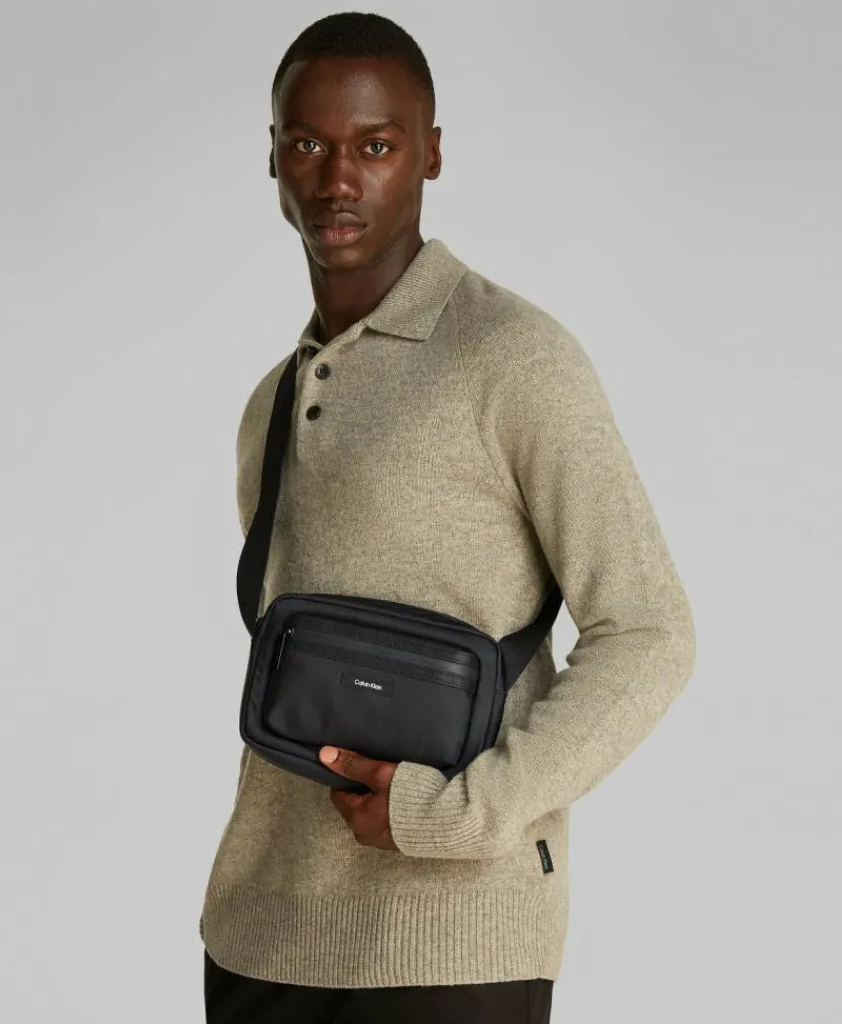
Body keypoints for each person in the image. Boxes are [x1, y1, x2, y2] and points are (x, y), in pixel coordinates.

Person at [198, 12, 696, 1023]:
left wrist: (464, 811)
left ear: (429, 154)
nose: (339, 179)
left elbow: (649, 631)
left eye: (376, 145)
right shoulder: (270, 403)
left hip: (455, 943)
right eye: (309, 144)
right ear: (274, 158)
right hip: (261, 934)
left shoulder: (513, 357)